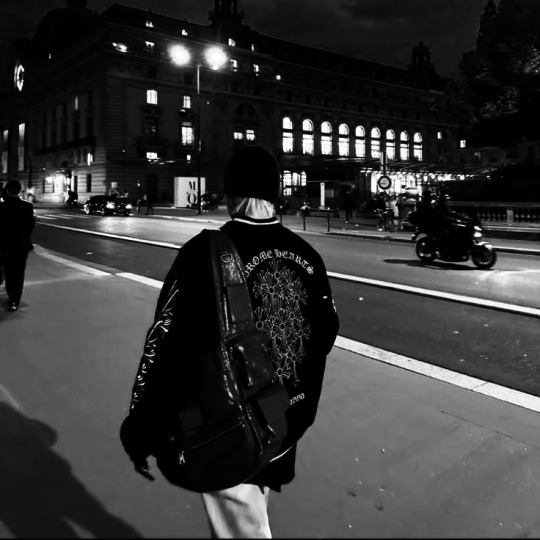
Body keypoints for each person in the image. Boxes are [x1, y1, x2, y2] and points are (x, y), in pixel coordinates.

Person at [119, 145, 340, 538]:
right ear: (275, 192)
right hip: (287, 422)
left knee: (242, 530)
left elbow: (170, 348)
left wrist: (142, 430)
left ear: (230, 192)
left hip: (229, 426)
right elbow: (324, 335)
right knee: (253, 514)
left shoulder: (205, 255)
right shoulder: (308, 255)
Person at [0, 180, 35, 312]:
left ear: (7, 191)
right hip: (21, 244)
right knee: (19, 272)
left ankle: (11, 296)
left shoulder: (2, 206)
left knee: (9, 271)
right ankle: (15, 299)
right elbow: (30, 226)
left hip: (5, 244)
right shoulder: (27, 206)